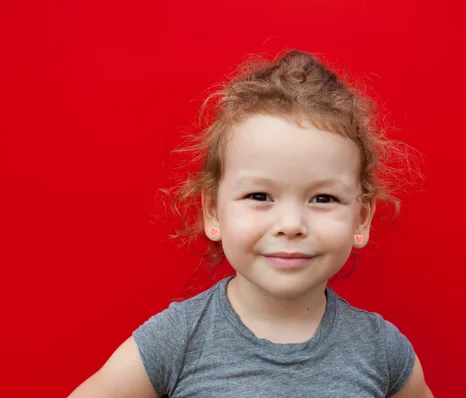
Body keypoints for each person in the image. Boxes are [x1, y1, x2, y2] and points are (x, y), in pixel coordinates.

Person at [68, 49, 434, 398]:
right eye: (260, 196)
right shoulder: (176, 340)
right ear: (213, 212)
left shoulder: (383, 350)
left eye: (323, 198)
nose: (291, 224)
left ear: (362, 217)